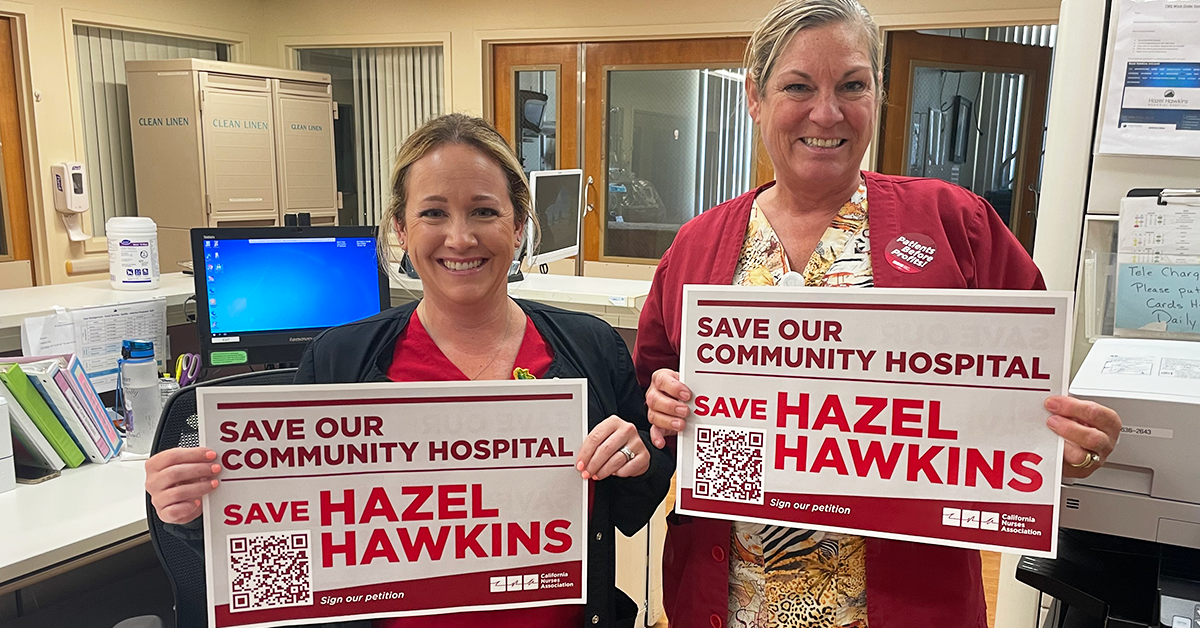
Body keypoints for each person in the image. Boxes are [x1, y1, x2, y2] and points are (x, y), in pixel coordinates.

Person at [632, 1, 1123, 627]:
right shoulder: (698, 245)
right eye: (798, 87)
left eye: (853, 86)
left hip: (907, 604)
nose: (827, 113)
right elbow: (652, 394)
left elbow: (1033, 396)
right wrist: (663, 407)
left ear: (878, 93)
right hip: (730, 600)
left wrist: (1072, 449)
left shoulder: (955, 225)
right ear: (754, 97)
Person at [145, 113, 674, 628]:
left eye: (485, 212)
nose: (460, 238)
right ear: (401, 228)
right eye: (434, 213)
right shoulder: (341, 361)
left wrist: (638, 459)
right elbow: (286, 553)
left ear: (518, 226)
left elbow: (632, 509)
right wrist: (200, 515)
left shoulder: (591, 347)